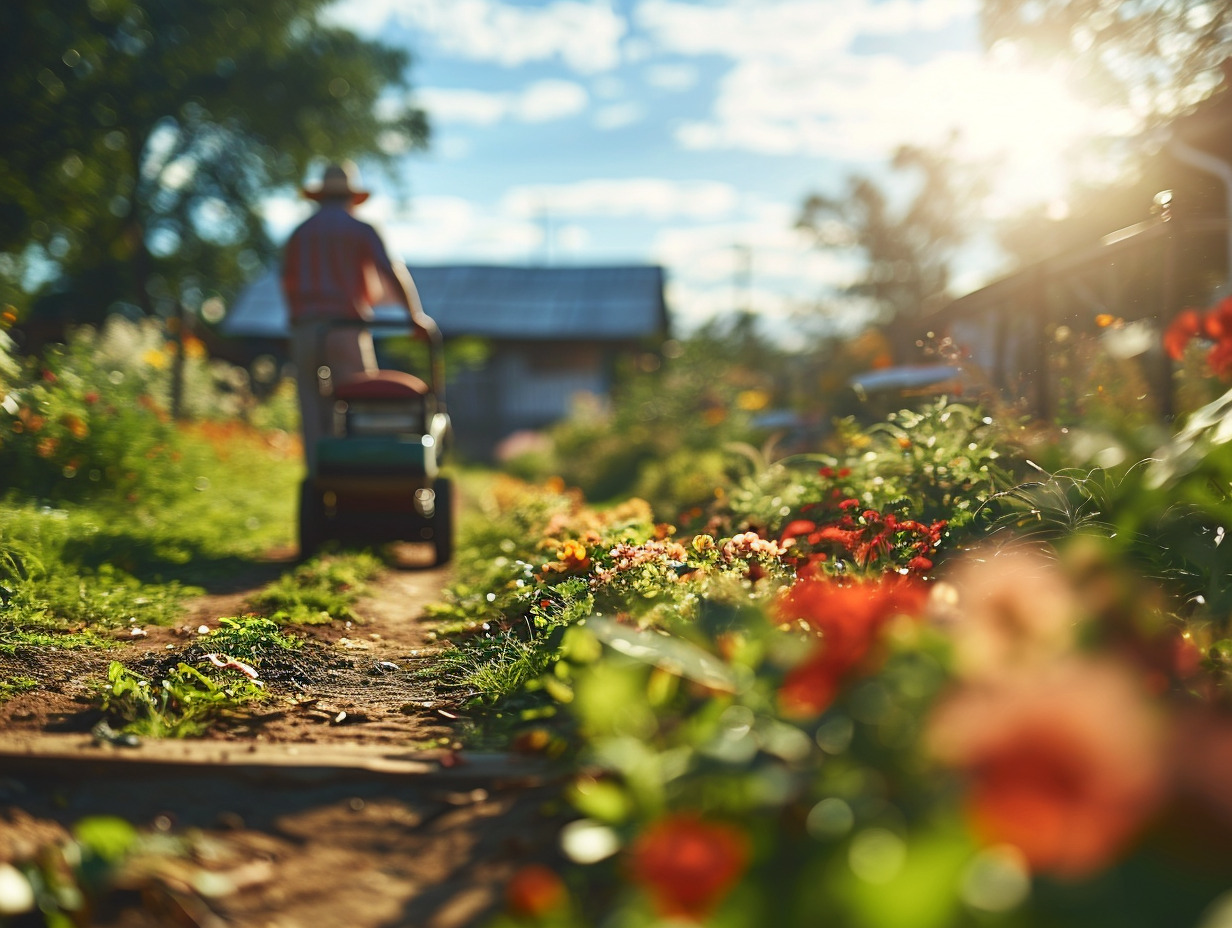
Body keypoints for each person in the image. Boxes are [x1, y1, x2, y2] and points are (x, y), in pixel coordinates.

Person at [281, 161, 438, 473]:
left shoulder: (300, 234)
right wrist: (413, 315)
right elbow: (389, 270)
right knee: (359, 400)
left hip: (306, 328)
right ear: (352, 197)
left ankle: (319, 475)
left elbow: (287, 281)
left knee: (312, 406)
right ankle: (357, 469)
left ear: (320, 196)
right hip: (345, 328)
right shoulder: (360, 230)